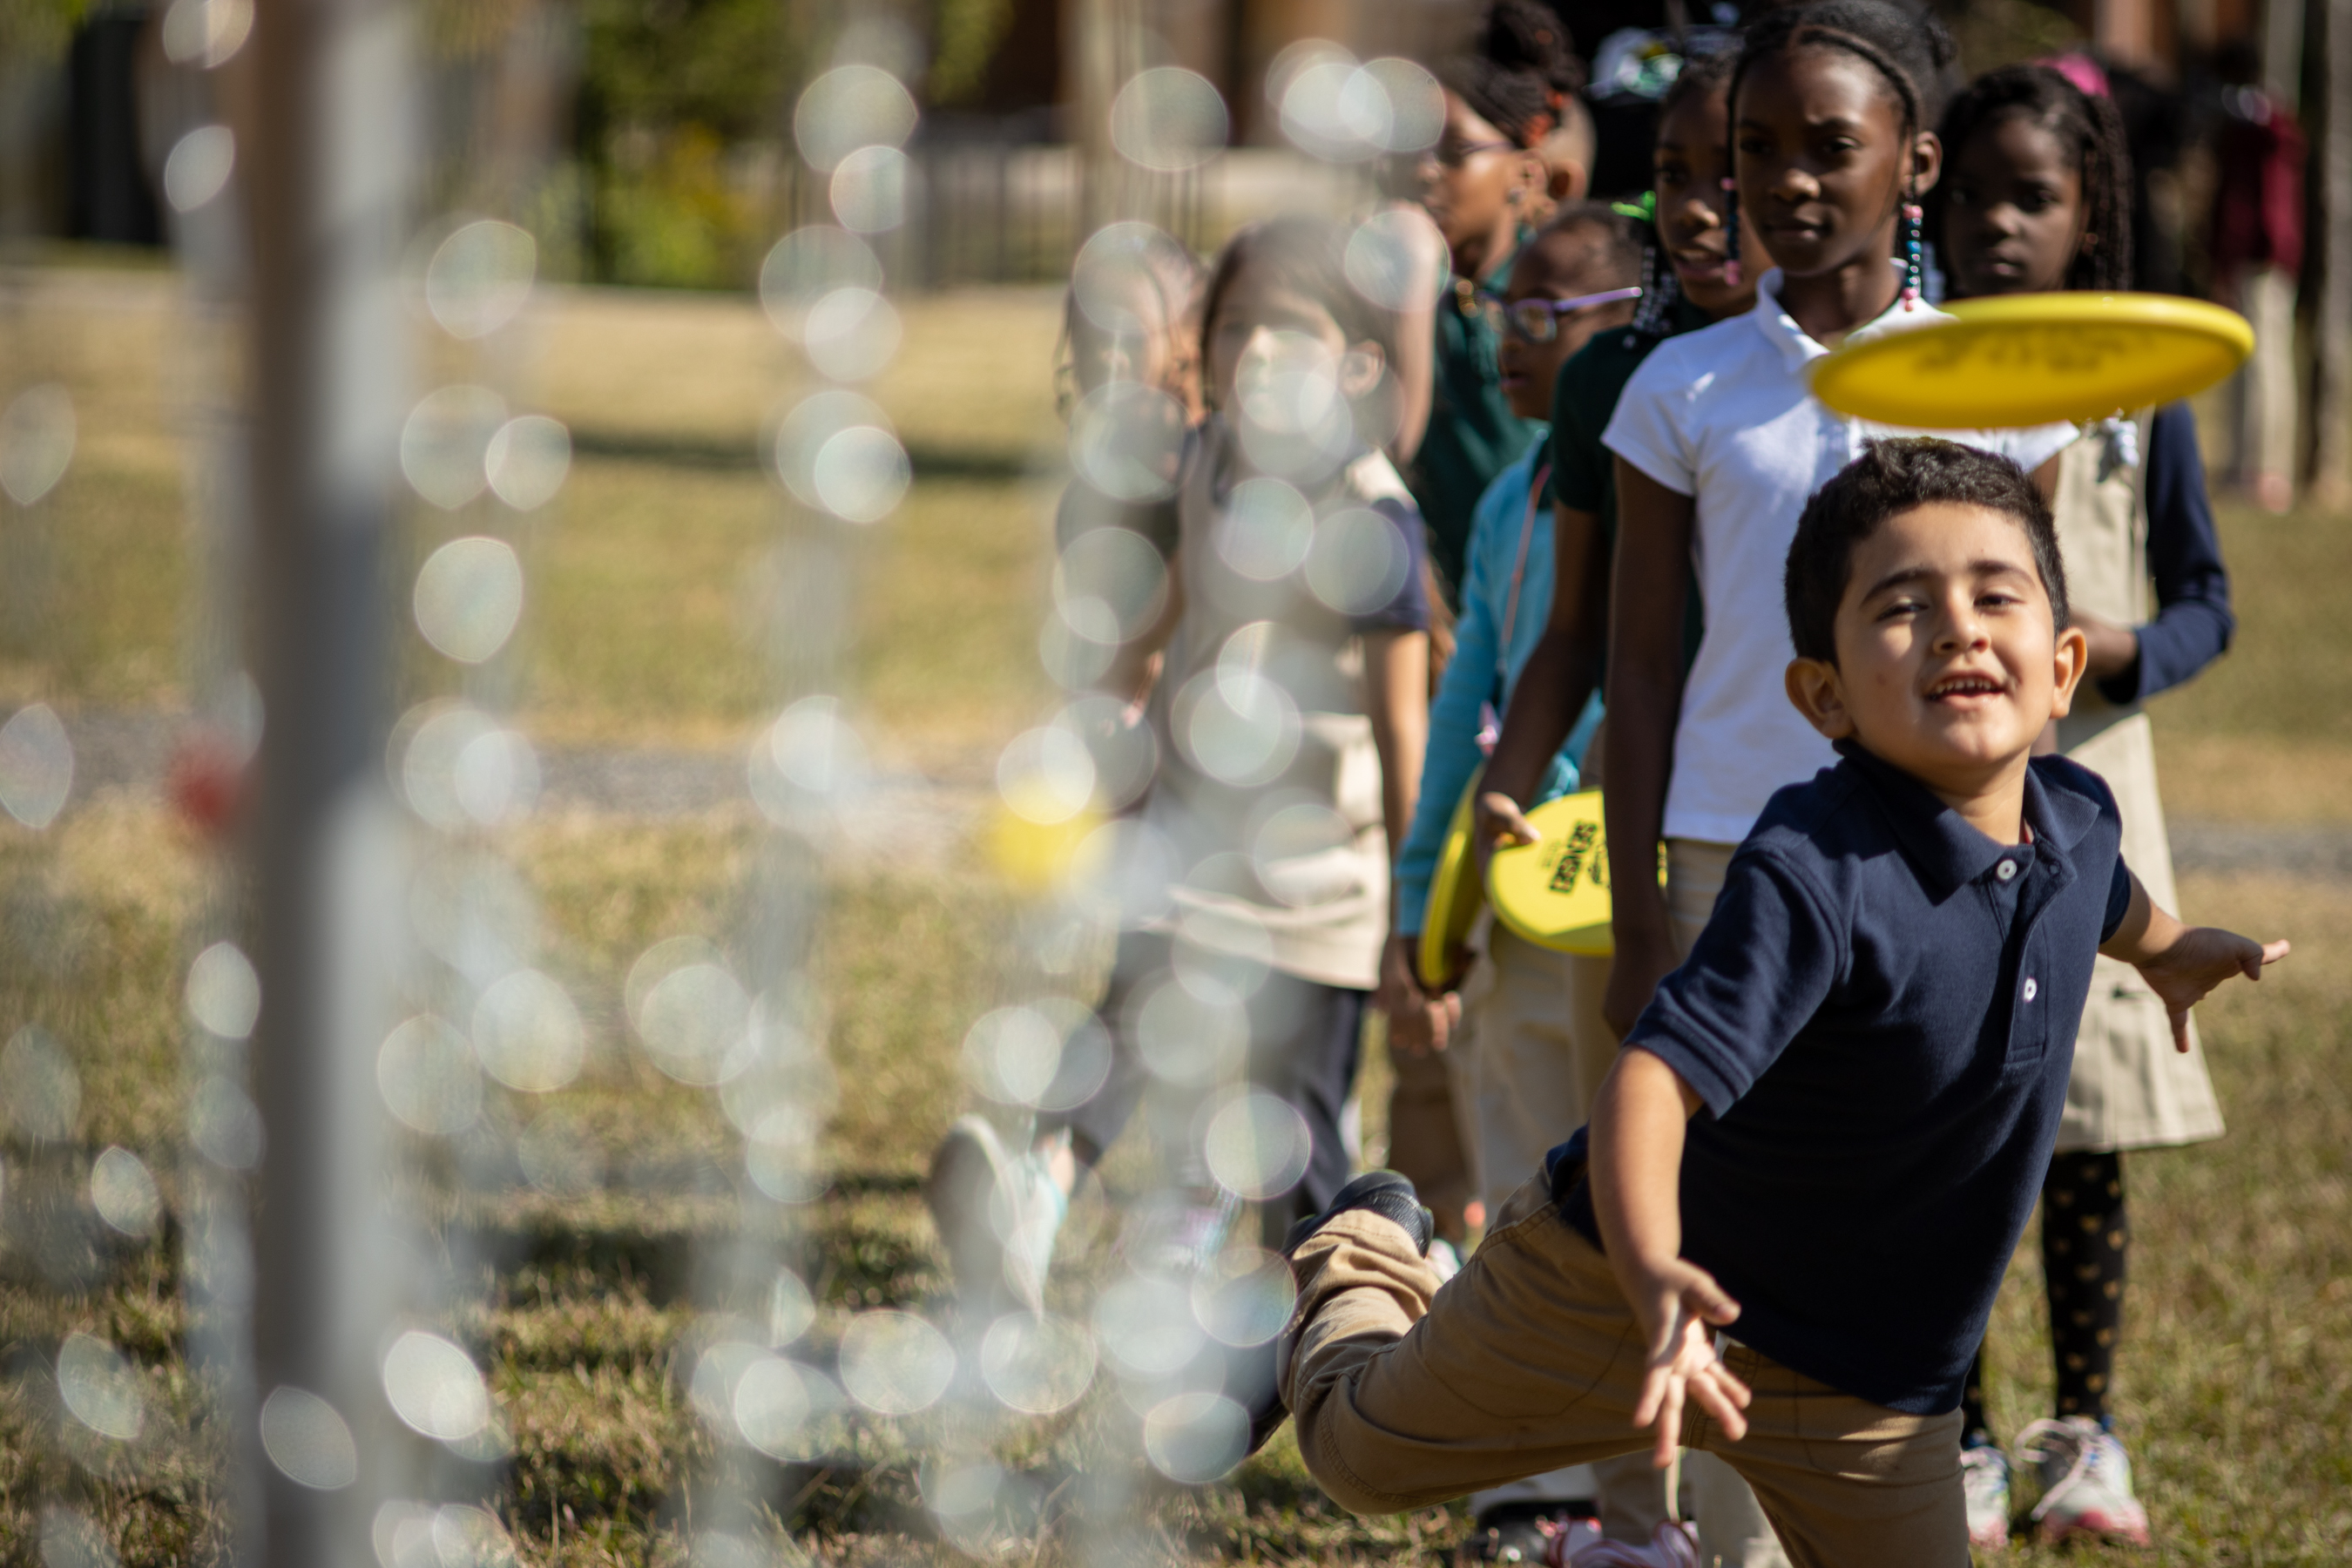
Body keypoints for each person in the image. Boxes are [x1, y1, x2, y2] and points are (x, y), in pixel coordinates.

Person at [1254, 436, 2288, 1568]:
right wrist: (1653, 1279)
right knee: (1356, 1459)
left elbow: (2103, 896)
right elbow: (1652, 1078)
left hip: (1880, 1392)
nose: (1958, 626)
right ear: (1824, 695)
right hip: (1619, 1296)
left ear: (2064, 664)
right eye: (1903, 606)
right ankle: (1361, 1245)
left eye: (1997, 594)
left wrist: (2172, 948)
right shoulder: (1814, 870)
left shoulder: (2079, 820)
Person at [1393, 51, 1769, 1566]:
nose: (1704, 209)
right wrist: (1452, 868)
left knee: (1740, 1228)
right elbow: (1530, 669)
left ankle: (1757, 1522)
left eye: (1540, 317)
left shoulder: (1824, 389)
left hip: (1746, 874)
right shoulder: (1550, 468)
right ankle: (1600, 1512)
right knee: (1562, 1203)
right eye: (1674, 175)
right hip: (1576, 896)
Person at [928, 216, 1432, 1315]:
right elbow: (1163, 629)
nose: (1254, 358)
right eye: (1234, 330)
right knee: (1121, 1036)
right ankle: (1030, 1198)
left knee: (1293, 1132)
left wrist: (1413, 903)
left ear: (1355, 363)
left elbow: (1405, 733)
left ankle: (1353, 1326)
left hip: (1320, 891)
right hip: (1195, 842)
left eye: (1288, 334)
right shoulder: (1206, 464)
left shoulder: (1376, 518)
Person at [1932, 61, 2238, 1551]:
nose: (1997, 224)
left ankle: (2087, 1432)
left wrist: (2119, 651)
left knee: (2082, 1133)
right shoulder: (1904, 376)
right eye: (1972, 193)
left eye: (2033, 197)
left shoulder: (2138, 392)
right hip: (1938, 813)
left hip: (2101, 811)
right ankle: (1967, 1438)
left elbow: (2207, 601)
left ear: (2089, 218)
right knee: (1946, 1122)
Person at [1371, 202, 1648, 1564]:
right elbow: (1461, 707)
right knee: (1519, 1206)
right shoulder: (1501, 502)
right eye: (1501, 315)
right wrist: (1426, 905)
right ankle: (1528, 1487)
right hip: (1511, 916)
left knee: (1640, 1205)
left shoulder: (1664, 474)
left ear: (1626, 321)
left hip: (1643, 911)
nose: (1508, 342)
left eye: (1545, 315)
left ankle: (1654, 1503)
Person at [1385, 0, 1589, 1247]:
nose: (1417, 173)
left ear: (1529, 162)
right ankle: (1431, 1250)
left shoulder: (1565, 312)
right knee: (1416, 973)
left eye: (1446, 148)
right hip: (1431, 665)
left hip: (1529, 698)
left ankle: (1485, 1239)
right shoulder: (1427, 299)